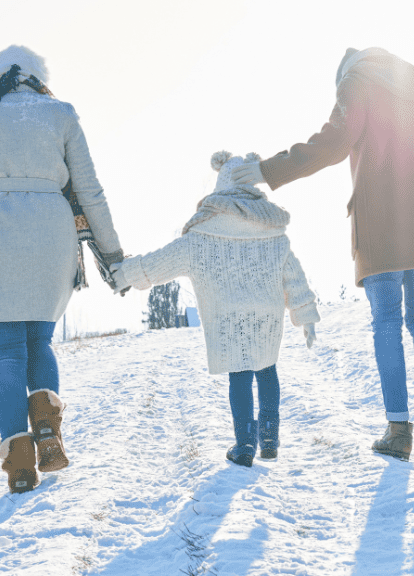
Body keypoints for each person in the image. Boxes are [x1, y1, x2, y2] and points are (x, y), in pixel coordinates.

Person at [231, 47, 414, 461]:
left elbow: (333, 143)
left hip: (380, 230)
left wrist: (269, 170)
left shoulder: (357, 87)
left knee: (387, 322)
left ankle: (398, 430)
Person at [0, 46, 125, 493]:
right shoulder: (62, 113)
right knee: (39, 341)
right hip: (51, 235)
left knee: (9, 354)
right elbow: (90, 190)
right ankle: (48, 434)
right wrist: (113, 255)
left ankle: (20, 465)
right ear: (38, 77)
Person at [112, 151, 320, 468]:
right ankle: (270, 438)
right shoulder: (273, 231)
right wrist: (305, 317)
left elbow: (158, 264)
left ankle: (245, 444)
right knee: (267, 368)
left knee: (239, 375)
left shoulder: (201, 236)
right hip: (267, 315)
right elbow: (295, 278)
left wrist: (123, 275)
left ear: (219, 188)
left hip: (227, 316)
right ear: (252, 188)